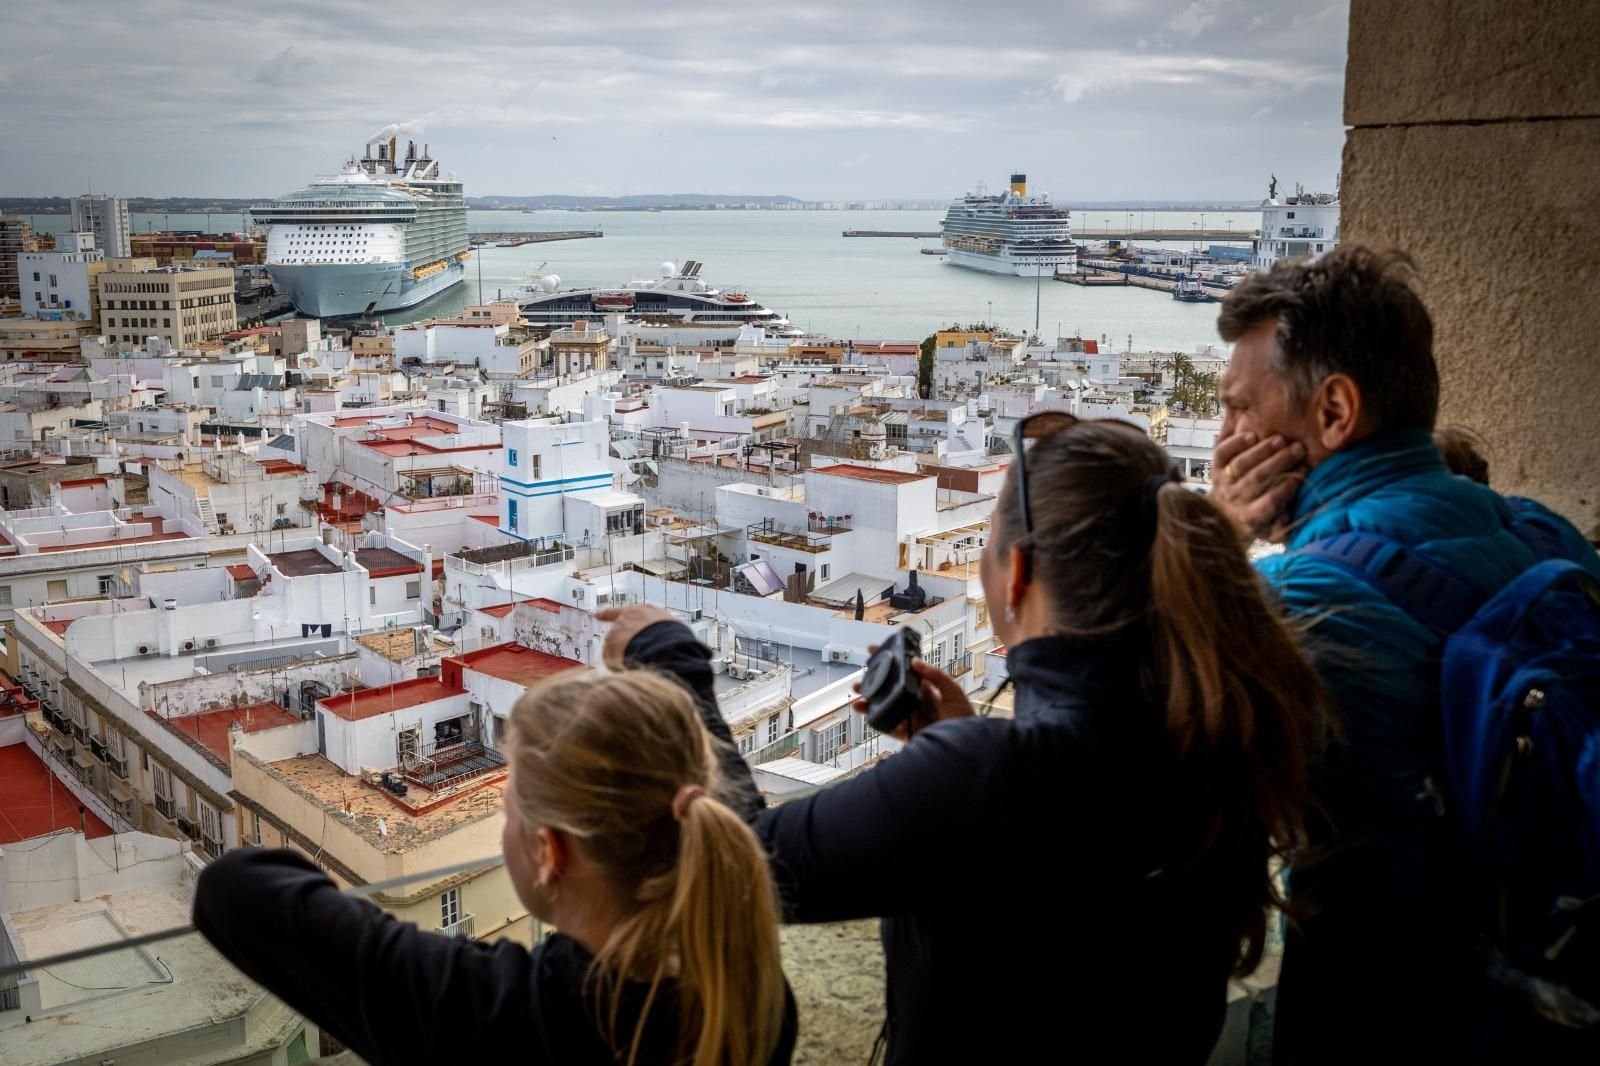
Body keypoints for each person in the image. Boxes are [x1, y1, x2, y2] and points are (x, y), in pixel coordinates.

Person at [604, 416, 1325, 1065]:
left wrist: (672, 662)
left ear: (1016, 577)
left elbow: (739, 863)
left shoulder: (995, 778)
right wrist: (961, 749)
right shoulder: (1214, 728)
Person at [1210, 245, 1600, 1064]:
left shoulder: (1313, 600)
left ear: (1334, 412)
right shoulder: (1542, 532)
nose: (1224, 440)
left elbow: (1137, 760)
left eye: (1240, 409)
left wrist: (1215, 541)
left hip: (1395, 1015)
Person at [193, 669, 796, 1066]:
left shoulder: (509, 1017)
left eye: (508, 809)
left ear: (548, 852)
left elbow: (231, 890)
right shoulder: (750, 988)